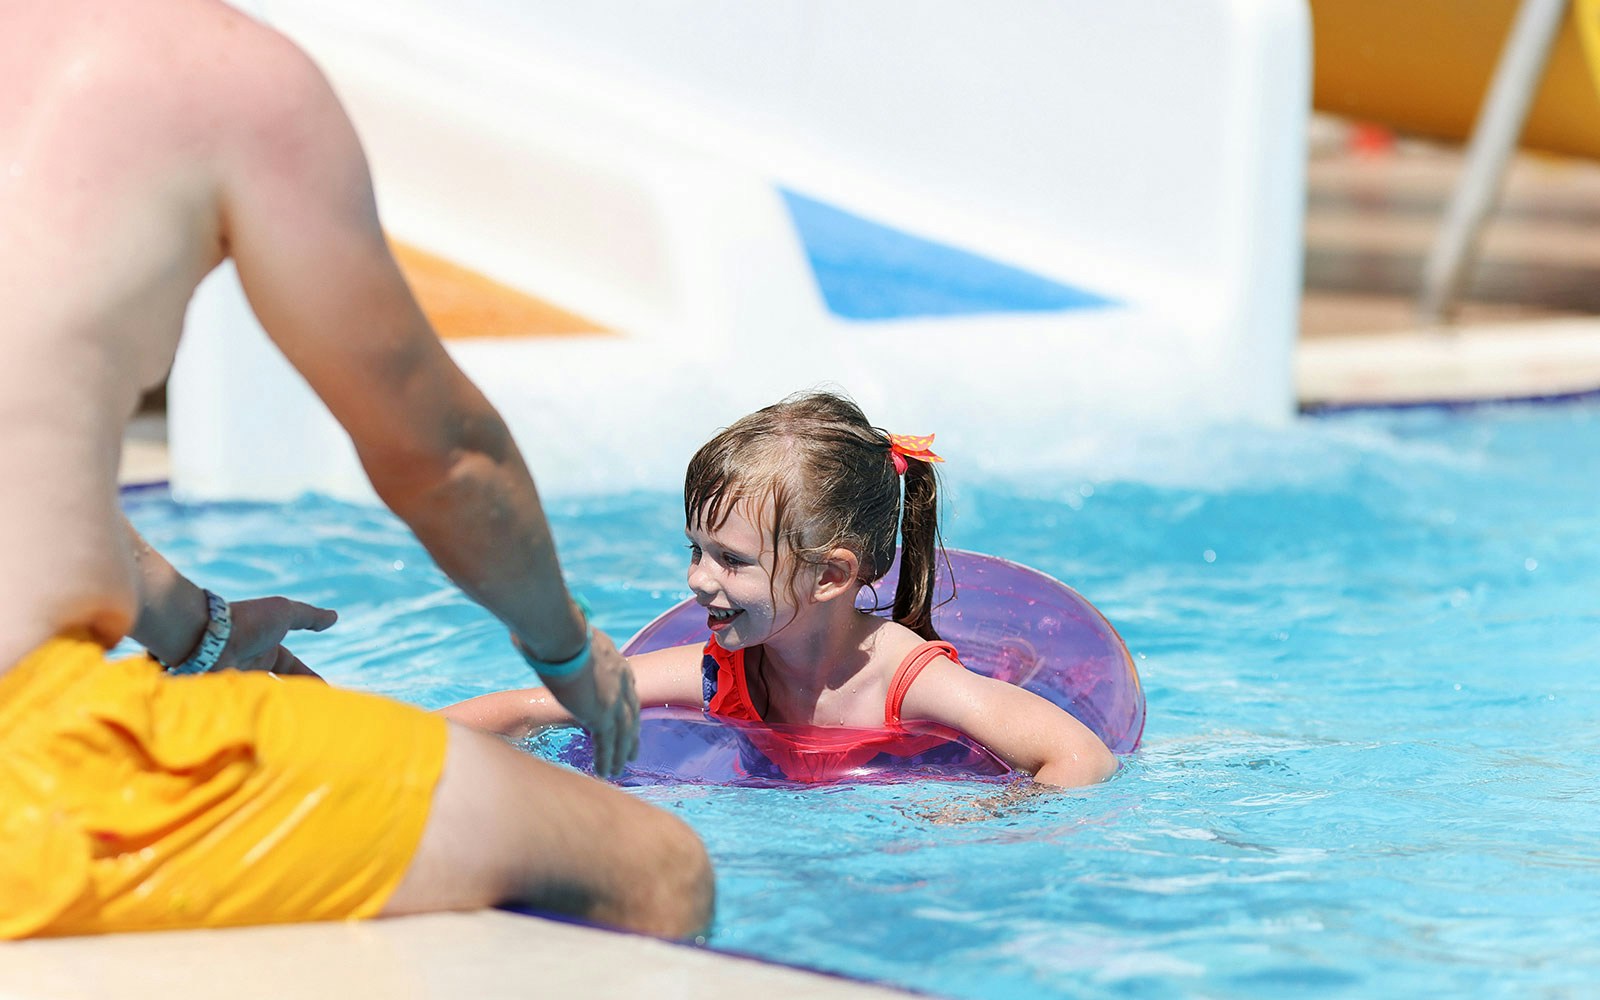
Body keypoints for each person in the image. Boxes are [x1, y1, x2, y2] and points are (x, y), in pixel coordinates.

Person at [0, 0, 711, 939]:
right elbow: (442, 457)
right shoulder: (215, 72)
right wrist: (569, 652)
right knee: (658, 864)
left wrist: (197, 629)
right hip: (33, 763)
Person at [443, 391, 1120, 788]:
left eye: (731, 560)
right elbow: (532, 706)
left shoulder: (907, 684)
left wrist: (989, 816)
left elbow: (1081, 757)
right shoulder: (720, 674)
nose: (697, 580)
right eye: (696, 550)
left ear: (830, 575)